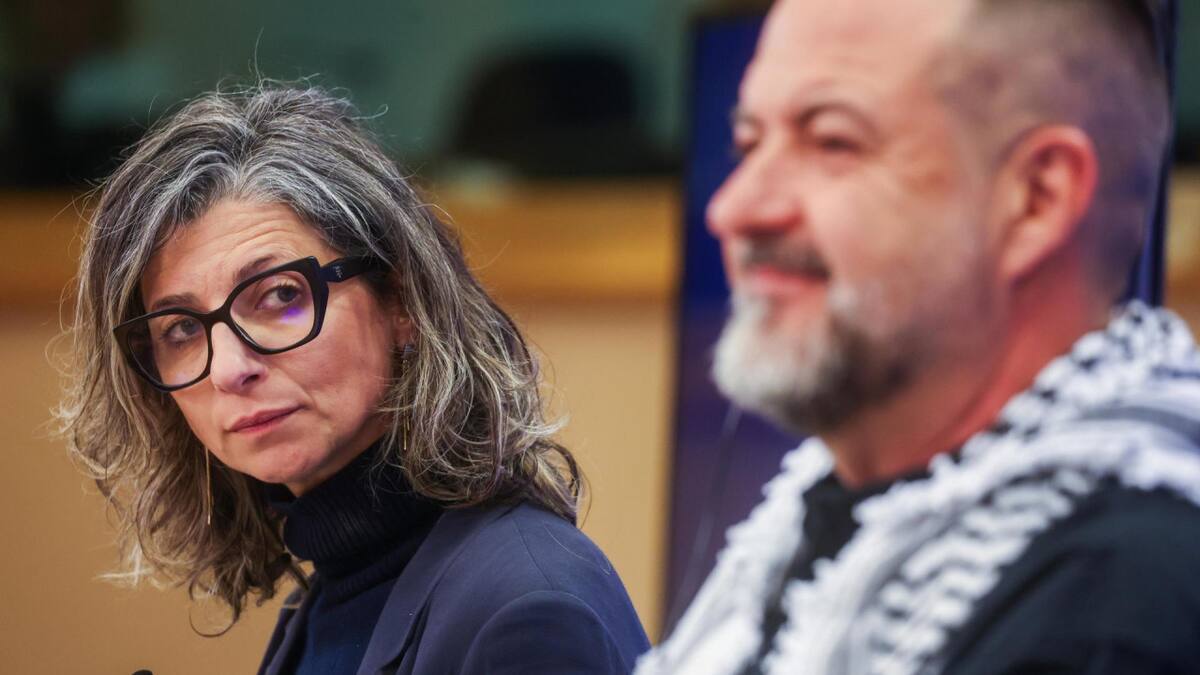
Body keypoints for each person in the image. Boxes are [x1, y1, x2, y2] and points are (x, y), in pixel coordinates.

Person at [638, 1, 1200, 673]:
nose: (736, 208)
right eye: (749, 144)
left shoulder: (1119, 607)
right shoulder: (806, 526)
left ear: (1036, 198)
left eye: (832, 142)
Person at [58, 84, 648, 674]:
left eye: (279, 295)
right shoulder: (327, 599)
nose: (231, 369)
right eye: (181, 330)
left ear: (400, 298)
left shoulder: (529, 610)